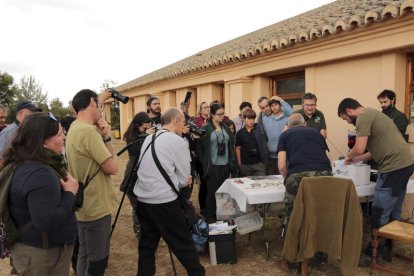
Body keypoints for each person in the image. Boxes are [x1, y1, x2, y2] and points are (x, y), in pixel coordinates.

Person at [337, 98, 414, 260]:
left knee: (379, 211)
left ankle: (373, 253)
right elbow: (374, 151)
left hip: (393, 167)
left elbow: (358, 148)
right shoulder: (375, 114)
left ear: (349, 111)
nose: (348, 122)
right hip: (406, 164)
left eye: (345, 118)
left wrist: (348, 157)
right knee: (394, 210)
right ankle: (388, 249)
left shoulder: (363, 117)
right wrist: (356, 159)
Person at [133, 107, 205, 276]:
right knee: (184, 245)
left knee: (147, 248)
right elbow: (183, 179)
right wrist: (183, 179)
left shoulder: (149, 137)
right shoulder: (177, 141)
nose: (184, 126)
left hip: (143, 201)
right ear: (176, 121)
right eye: (183, 122)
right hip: (164, 202)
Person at [5, 112, 78, 275]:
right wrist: (70, 193)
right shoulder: (40, 173)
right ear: (43, 141)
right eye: (60, 134)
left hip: (35, 251)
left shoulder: (24, 162)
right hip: (42, 256)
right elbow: (46, 221)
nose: (64, 137)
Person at [65, 89, 118, 276]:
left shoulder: (74, 127)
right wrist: (105, 136)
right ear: (92, 103)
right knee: (97, 260)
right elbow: (112, 167)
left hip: (83, 206)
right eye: (100, 106)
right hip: (96, 207)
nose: (101, 111)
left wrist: (105, 136)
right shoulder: (88, 132)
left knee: (84, 255)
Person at [277, 113, 332, 219]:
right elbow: (328, 159)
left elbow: (282, 166)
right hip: (324, 174)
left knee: (294, 210)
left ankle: (295, 227)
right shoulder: (318, 134)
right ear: (305, 124)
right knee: (320, 208)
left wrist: (287, 178)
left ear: (288, 126)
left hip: (298, 176)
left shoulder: (284, 135)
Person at [196, 103, 237, 222]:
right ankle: (210, 218)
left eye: (223, 114)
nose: (222, 116)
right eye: (219, 114)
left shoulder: (225, 127)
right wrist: (204, 161)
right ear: (212, 115)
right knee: (212, 193)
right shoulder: (205, 128)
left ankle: (225, 217)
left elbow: (231, 144)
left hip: (225, 165)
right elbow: (199, 147)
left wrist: (231, 164)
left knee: (224, 192)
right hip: (212, 166)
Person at [120, 112, 155, 238]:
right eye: (144, 128)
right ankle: (139, 231)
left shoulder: (146, 134)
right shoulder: (131, 136)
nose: (146, 130)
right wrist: (147, 136)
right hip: (133, 175)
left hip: (146, 173)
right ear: (137, 125)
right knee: (137, 206)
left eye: (148, 127)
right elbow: (135, 151)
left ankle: (148, 229)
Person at [0, 100, 42, 167]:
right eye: (32, 112)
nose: (34, 115)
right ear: (21, 113)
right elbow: (1, 159)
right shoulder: (9, 133)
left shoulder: (27, 130)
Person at [262, 97, 292, 175]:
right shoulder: (265, 119)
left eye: (276, 104)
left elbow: (292, 113)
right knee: (271, 181)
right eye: (272, 105)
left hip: (284, 155)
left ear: (280, 105)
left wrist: (281, 100)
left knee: (283, 178)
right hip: (270, 156)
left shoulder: (288, 118)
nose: (274, 107)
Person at [235, 109, 267, 176]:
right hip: (245, 165)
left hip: (259, 164)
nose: (251, 121)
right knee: (246, 185)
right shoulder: (239, 133)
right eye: (249, 118)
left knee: (261, 185)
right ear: (244, 118)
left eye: (253, 118)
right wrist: (240, 164)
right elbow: (238, 148)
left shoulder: (260, 129)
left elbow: (265, 143)